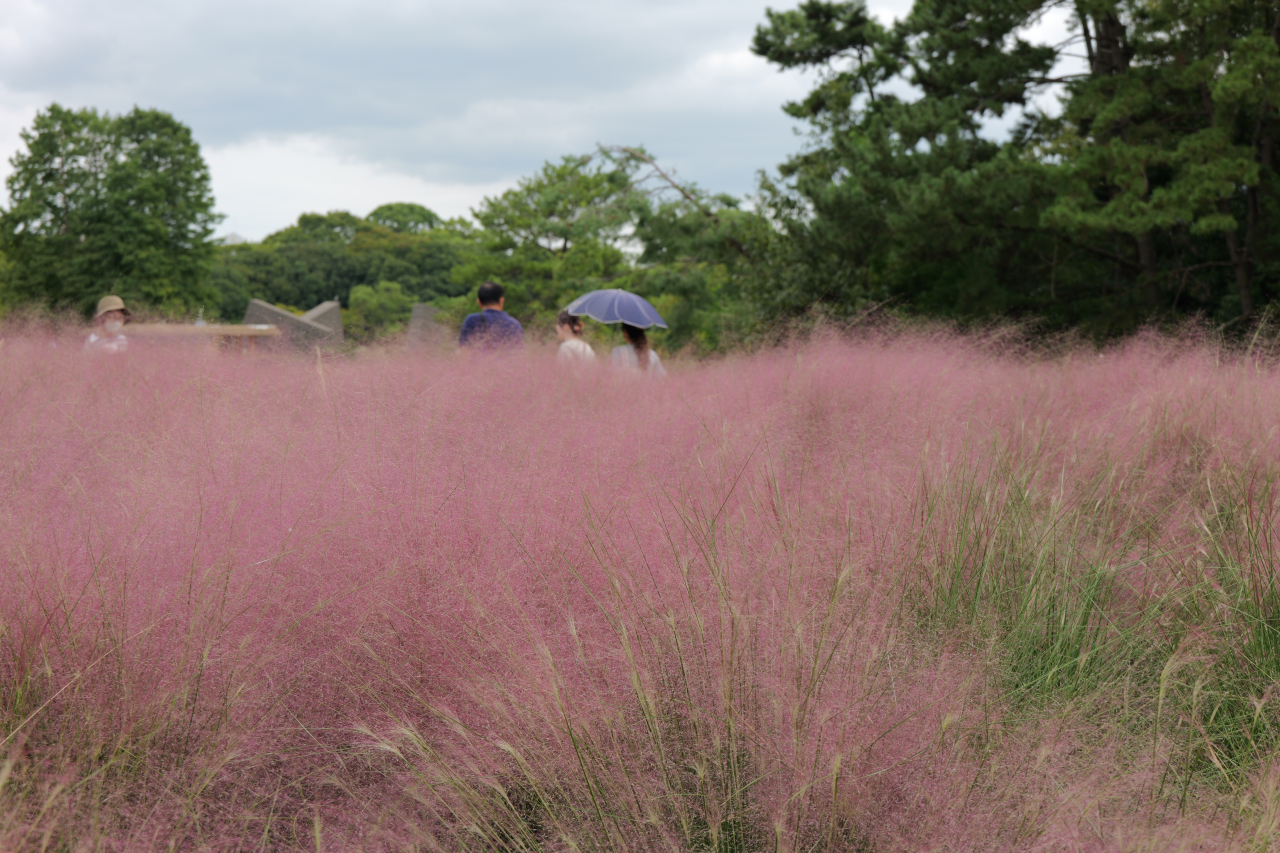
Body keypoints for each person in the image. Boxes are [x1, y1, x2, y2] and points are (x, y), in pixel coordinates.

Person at [459, 282, 523, 350]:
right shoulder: (514, 324)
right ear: (501, 301)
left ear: (479, 302)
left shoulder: (471, 320)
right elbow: (519, 353)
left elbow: (464, 352)